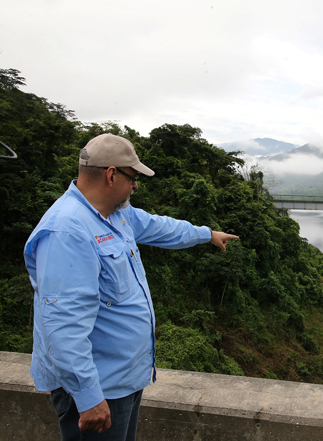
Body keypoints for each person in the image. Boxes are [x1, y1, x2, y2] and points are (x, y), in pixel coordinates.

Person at [23, 133, 238, 440]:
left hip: (122, 380)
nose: (136, 185)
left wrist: (206, 234)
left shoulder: (116, 215)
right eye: (133, 177)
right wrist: (88, 398)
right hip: (97, 391)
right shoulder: (68, 231)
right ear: (112, 174)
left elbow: (159, 227)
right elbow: (62, 326)